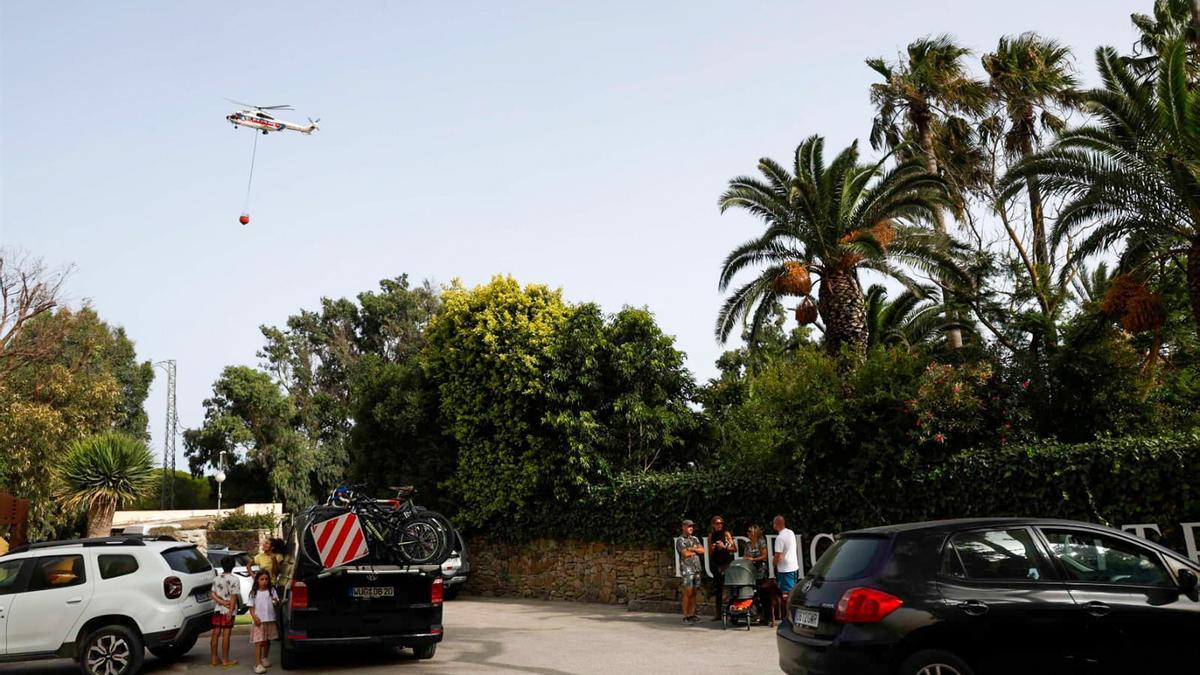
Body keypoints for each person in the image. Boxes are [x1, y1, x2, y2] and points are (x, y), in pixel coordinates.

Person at [742, 524, 774, 626]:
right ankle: (757, 615)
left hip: (761, 570)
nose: (748, 533)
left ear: (755, 532)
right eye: (747, 531)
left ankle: (768, 617)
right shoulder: (747, 544)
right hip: (751, 571)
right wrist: (746, 559)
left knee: (764, 594)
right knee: (753, 594)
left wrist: (753, 559)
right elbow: (745, 556)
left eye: (749, 531)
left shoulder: (761, 542)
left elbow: (764, 555)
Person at [210, 556, 239, 668]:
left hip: (217, 608)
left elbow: (212, 594)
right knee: (226, 634)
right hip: (228, 610)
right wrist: (230, 611)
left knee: (215, 633)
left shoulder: (216, 579)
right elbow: (233, 597)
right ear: (233, 566)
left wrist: (221, 602)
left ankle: (214, 658)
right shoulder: (234, 579)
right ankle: (225, 660)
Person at [674, 519, 705, 624]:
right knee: (688, 592)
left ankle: (692, 614)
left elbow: (702, 550)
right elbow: (685, 554)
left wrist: (691, 549)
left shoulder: (695, 538)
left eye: (692, 526)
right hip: (687, 569)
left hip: (696, 568)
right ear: (683, 527)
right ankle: (686, 616)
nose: (691, 528)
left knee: (694, 592)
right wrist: (695, 549)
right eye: (688, 526)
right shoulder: (680, 540)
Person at [249, 570, 280, 673]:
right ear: (257, 580)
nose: (264, 581)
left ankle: (264, 658)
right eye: (262, 579)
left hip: (269, 619)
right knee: (259, 642)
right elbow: (251, 607)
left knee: (267, 640)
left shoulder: (271, 590)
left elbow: (276, 601)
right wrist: (255, 618)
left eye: (266, 579)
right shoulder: (254, 592)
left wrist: (276, 602)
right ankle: (258, 664)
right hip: (259, 621)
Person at [707, 515, 735, 621]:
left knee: (730, 588)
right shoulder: (711, 536)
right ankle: (718, 614)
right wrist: (713, 548)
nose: (720, 525)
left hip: (726, 563)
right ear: (713, 525)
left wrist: (724, 546)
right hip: (716, 564)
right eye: (717, 523)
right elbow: (710, 553)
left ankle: (732, 612)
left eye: (721, 523)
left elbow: (734, 548)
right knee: (718, 589)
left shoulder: (726, 534)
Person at [773, 515, 800, 600]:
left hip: (785, 570)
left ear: (776, 525)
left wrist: (774, 563)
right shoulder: (790, 533)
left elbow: (777, 555)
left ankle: (788, 612)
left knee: (786, 596)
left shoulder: (779, 538)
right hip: (794, 567)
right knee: (792, 592)